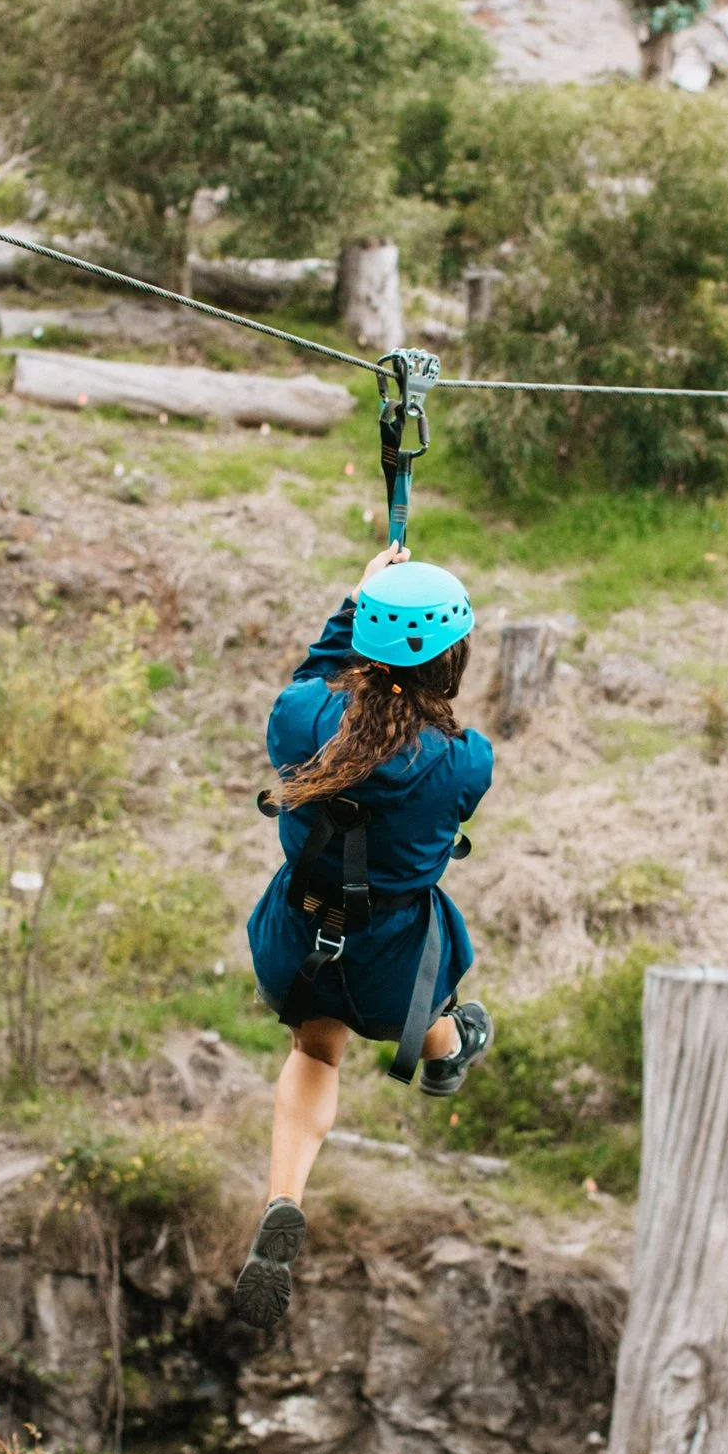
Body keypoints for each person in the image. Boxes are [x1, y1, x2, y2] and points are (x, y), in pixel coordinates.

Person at [234, 547, 495, 1328]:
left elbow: (318, 673)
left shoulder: (298, 719)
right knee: (438, 1000)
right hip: (393, 973)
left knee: (315, 1053)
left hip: (299, 941)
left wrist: (357, 599)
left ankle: (284, 1197)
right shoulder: (461, 761)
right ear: (449, 662)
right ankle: (446, 1051)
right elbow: (439, 793)